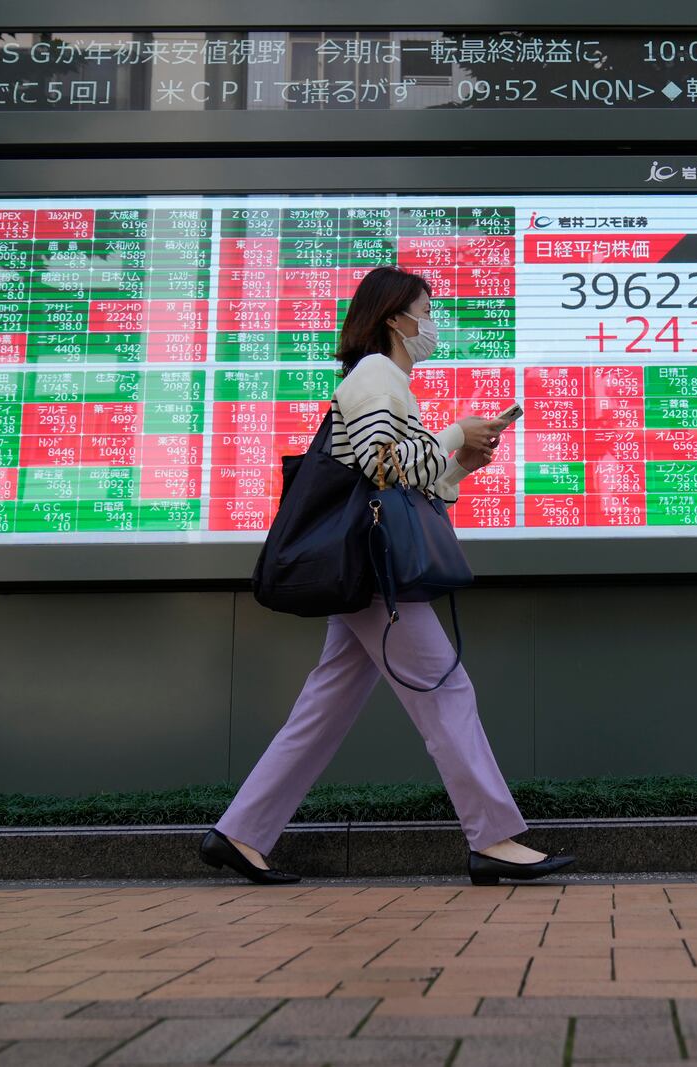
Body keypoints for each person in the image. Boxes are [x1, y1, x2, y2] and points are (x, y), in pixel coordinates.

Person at [200, 265, 575, 887]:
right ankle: (494, 840)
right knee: (446, 690)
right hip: (373, 573)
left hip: (364, 569)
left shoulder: (388, 379)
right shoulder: (378, 373)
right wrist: (456, 431)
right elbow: (381, 467)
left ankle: (240, 833)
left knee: (324, 706)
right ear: (395, 317)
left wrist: (460, 463)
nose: (432, 323)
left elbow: (412, 483)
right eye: (426, 309)